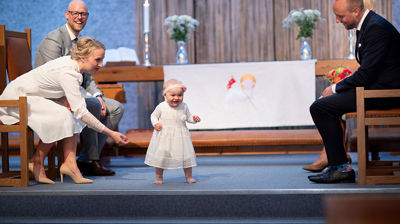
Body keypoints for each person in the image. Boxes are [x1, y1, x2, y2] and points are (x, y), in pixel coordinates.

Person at [0, 37, 129, 184]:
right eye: (98, 60)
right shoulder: (68, 72)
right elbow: (81, 112)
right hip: (17, 99)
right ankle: (38, 160)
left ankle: (68, 163)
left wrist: (96, 97)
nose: (101, 64)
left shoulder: (73, 66)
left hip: (35, 96)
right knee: (65, 116)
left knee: (68, 115)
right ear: (83, 58)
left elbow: (75, 93)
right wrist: (111, 133)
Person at [308, 0, 400, 183]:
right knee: (322, 105)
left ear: (356, 11)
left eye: (340, 16)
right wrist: (339, 87)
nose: (337, 21)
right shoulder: (369, 24)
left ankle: (340, 167)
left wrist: (334, 88)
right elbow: (368, 70)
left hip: (385, 93)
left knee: (320, 108)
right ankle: (338, 165)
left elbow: (365, 74)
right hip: (375, 88)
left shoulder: (376, 28)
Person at [35, 0, 124, 176]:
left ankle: (86, 159)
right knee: (92, 106)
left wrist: (98, 94)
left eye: (83, 14)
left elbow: (87, 75)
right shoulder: (54, 40)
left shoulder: (82, 41)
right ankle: (90, 161)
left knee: (115, 108)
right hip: (53, 93)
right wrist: (88, 100)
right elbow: (50, 75)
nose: (79, 17)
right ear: (67, 15)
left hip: (75, 90)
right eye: (75, 13)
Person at [144, 79, 200, 184]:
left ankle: (189, 177)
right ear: (165, 95)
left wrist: (194, 119)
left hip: (180, 136)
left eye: (179, 95)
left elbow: (188, 118)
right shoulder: (162, 106)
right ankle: (159, 177)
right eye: (173, 95)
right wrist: (156, 124)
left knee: (185, 157)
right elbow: (153, 116)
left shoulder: (184, 106)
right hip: (164, 136)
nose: (176, 98)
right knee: (161, 157)